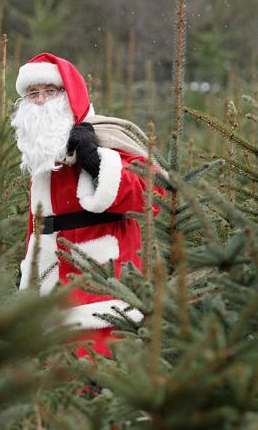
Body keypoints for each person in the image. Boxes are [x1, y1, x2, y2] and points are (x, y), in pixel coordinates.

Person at [11, 52, 166, 359]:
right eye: (33, 94)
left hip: (102, 284)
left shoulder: (107, 136)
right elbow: (38, 226)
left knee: (101, 376)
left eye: (50, 91)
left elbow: (155, 195)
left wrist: (96, 162)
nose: (40, 100)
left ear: (69, 95)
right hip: (49, 288)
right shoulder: (41, 154)